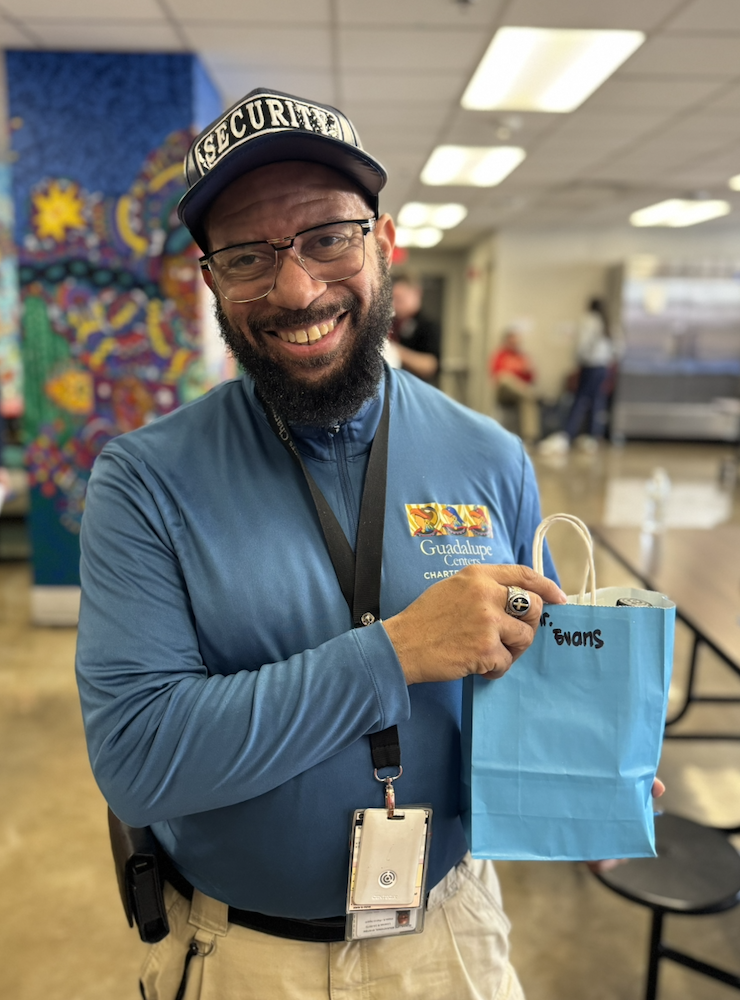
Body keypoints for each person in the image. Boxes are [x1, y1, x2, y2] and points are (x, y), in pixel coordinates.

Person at [75, 87, 634, 1000]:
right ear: (212, 280)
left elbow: (528, 687)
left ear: (383, 240)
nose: (296, 290)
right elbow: (140, 761)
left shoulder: (491, 458)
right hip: (245, 959)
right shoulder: (144, 480)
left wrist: (582, 785)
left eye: (328, 237)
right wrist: (397, 653)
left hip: (449, 938)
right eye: (249, 255)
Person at [538, 298, 617, 456]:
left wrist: (577, 360)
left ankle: (567, 435)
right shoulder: (607, 322)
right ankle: (592, 437)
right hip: (603, 367)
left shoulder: (588, 321)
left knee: (580, 399)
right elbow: (616, 348)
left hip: (589, 366)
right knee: (596, 400)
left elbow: (582, 344)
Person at [489, 329, 540, 445]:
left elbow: (530, 379)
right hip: (503, 392)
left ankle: (529, 438)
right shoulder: (500, 355)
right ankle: (527, 393)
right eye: (512, 341)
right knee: (505, 378)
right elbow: (496, 376)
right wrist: (515, 373)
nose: (515, 344)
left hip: (518, 394)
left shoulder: (523, 357)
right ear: (507, 341)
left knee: (527, 399)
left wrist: (528, 371)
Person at [388, 276, 441, 382]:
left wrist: (394, 350)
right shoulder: (391, 322)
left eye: (399, 299)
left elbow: (431, 365)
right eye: (392, 299)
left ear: (416, 293)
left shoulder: (427, 325)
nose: (394, 304)